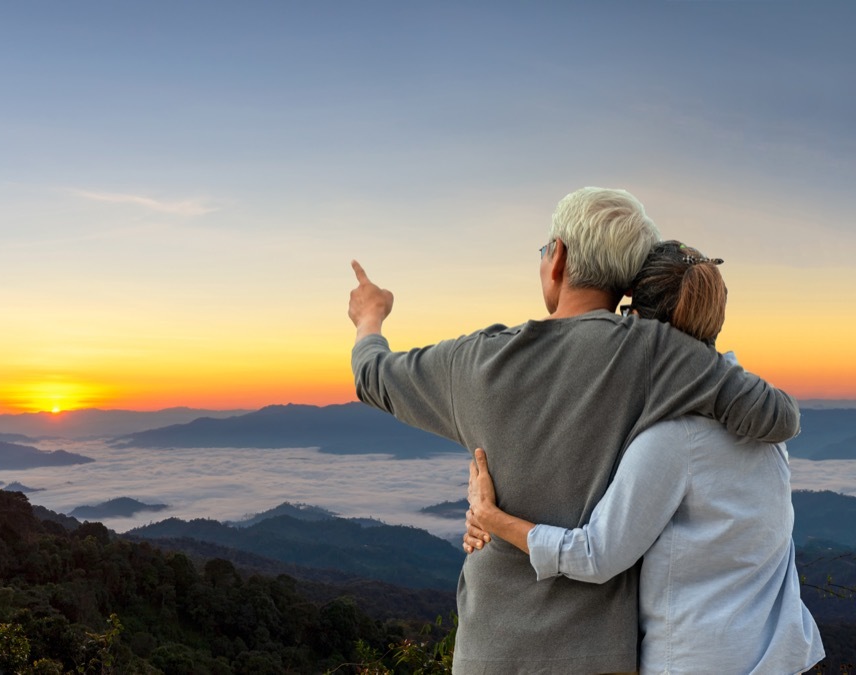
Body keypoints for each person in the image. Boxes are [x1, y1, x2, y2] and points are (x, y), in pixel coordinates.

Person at [348, 187, 801, 674]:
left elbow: (373, 377)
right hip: (600, 654)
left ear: (558, 256)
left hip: (490, 651)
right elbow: (776, 417)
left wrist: (370, 315)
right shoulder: (658, 354)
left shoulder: (473, 361)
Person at [463, 241, 825, 674]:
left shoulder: (675, 439)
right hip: (782, 658)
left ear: (634, 324)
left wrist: (493, 518)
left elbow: (596, 556)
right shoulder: (760, 421)